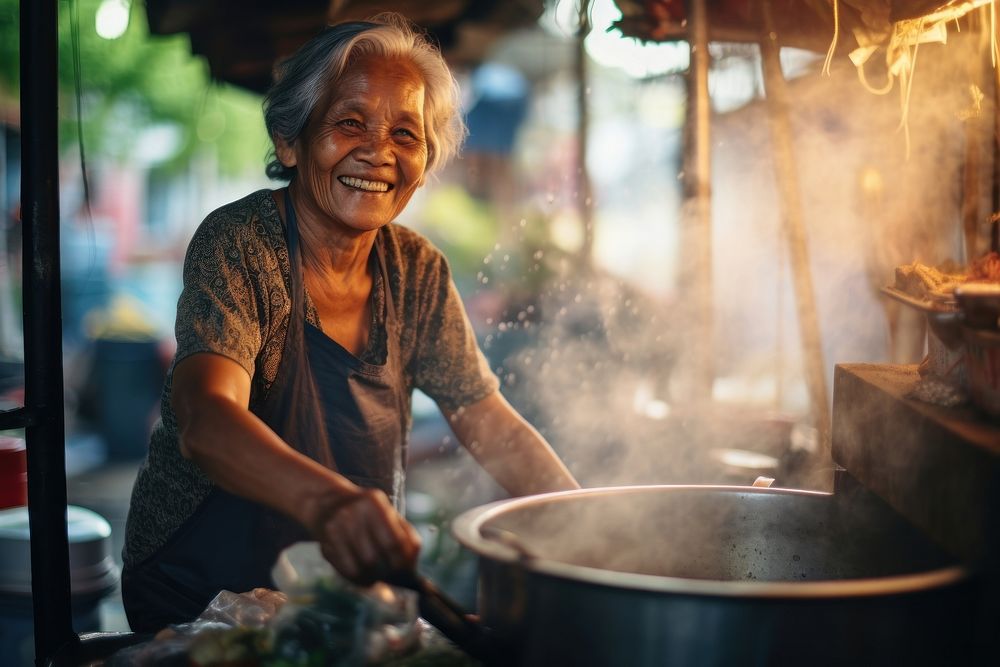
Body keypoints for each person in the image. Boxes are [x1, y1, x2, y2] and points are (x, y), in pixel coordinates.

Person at [120, 14, 579, 633]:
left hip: (338, 598)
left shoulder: (417, 271)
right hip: (201, 595)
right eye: (349, 122)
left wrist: (586, 527)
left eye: (405, 134)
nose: (377, 151)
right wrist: (330, 503)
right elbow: (205, 418)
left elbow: (486, 417)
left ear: (425, 162)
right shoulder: (242, 244)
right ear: (291, 142)